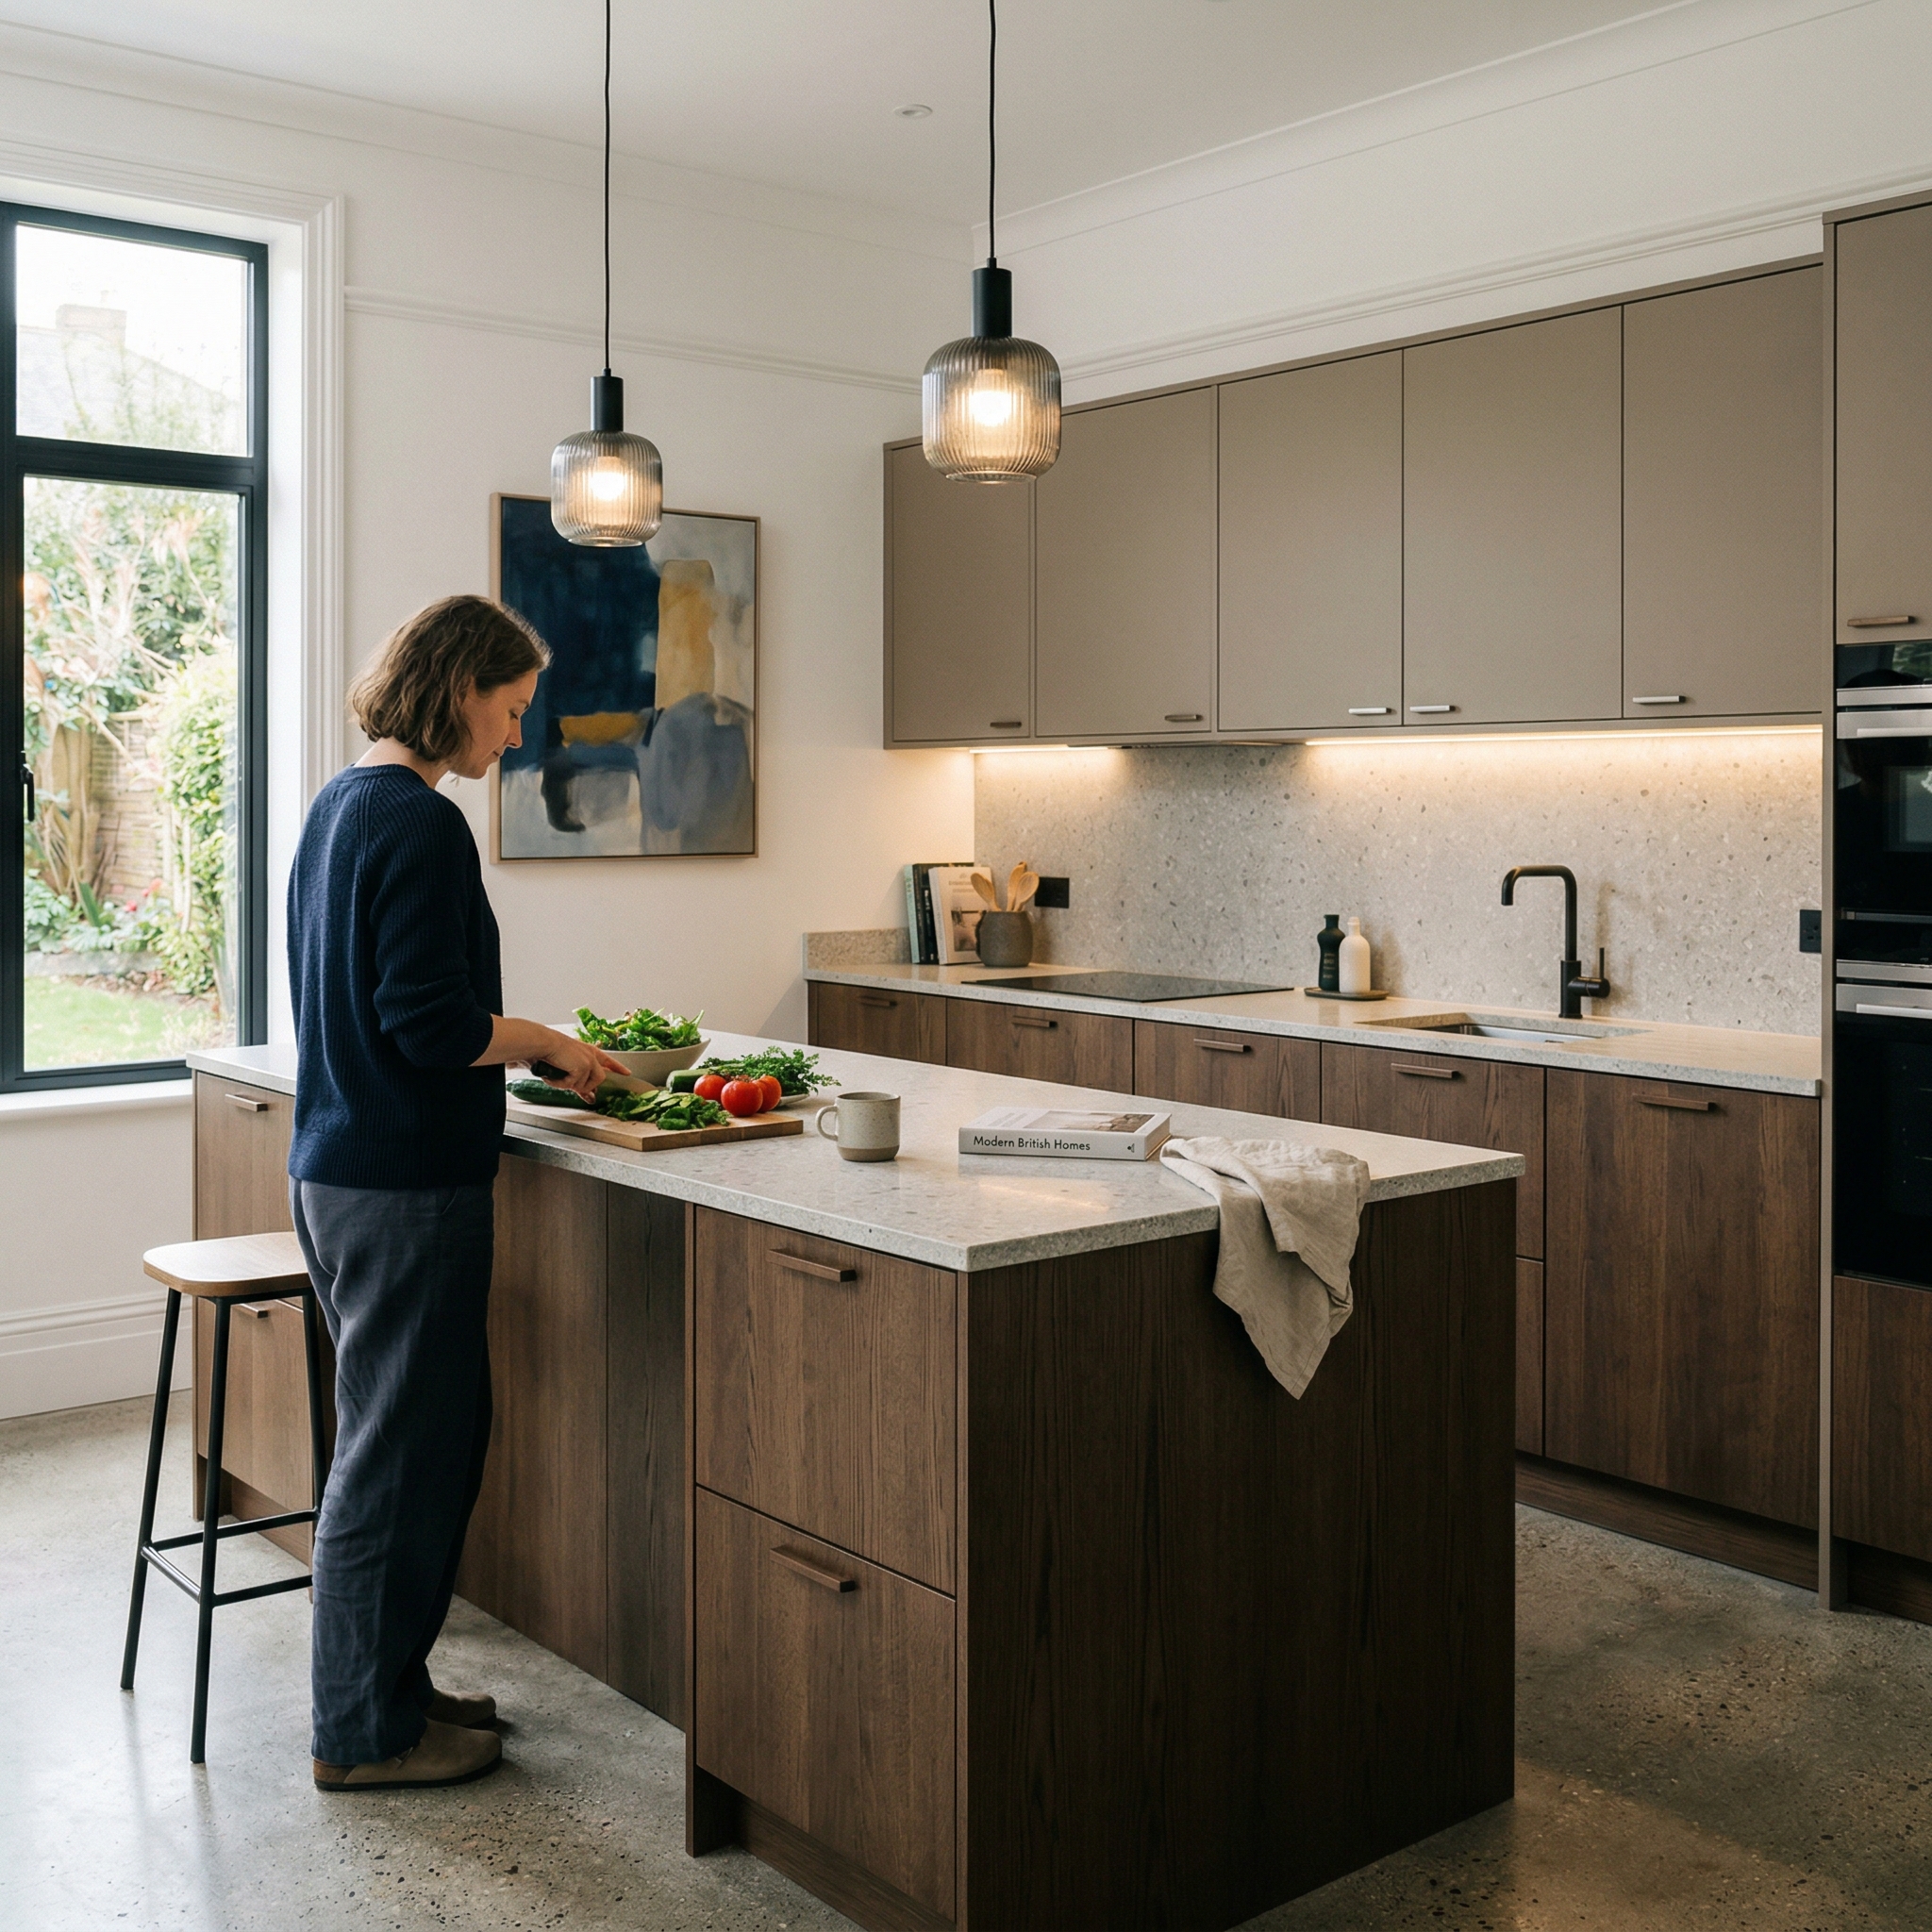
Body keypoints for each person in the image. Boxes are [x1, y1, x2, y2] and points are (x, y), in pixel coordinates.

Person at [287, 594, 624, 1791]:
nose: (515, 738)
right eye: (511, 708)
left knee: (407, 1442)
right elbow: (426, 1024)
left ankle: (391, 1688)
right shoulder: (421, 825)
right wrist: (538, 1036)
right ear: (460, 687)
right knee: (397, 1457)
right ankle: (362, 1734)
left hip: (338, 1170)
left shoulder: (339, 805)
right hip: (406, 1186)